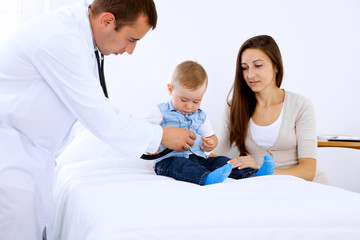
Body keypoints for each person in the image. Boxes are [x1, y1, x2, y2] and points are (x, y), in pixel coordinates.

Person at [0, 1, 196, 239]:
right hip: (12, 159)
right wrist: (161, 135)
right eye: (132, 39)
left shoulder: (79, 39)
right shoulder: (60, 39)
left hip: (29, 158)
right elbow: (99, 115)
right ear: (107, 21)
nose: (130, 50)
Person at [210, 35, 328, 184]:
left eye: (258, 65)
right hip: (263, 189)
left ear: (276, 67)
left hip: (306, 186)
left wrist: (261, 171)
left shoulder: (301, 106)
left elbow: (308, 170)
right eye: (244, 68)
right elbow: (218, 153)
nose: (250, 75)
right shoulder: (234, 107)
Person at [144, 60, 275, 186]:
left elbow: (211, 137)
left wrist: (211, 143)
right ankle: (206, 178)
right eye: (183, 100)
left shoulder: (201, 115)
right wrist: (151, 145)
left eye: (196, 102)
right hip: (169, 160)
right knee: (182, 166)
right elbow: (144, 132)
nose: (189, 106)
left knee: (223, 161)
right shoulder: (160, 112)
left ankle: (254, 173)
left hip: (200, 158)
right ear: (170, 89)